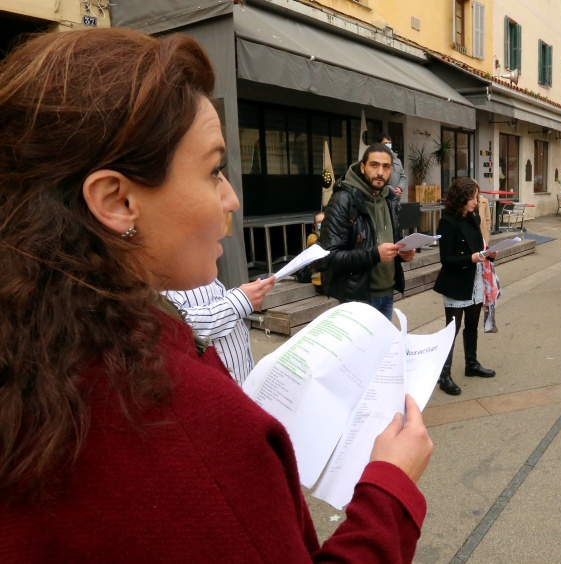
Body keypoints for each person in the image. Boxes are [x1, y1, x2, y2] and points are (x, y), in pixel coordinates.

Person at [0, 28, 431, 561]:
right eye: (212, 170)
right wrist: (389, 488)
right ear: (116, 200)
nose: (230, 198)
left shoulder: (39, 346)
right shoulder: (185, 425)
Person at [320, 144, 415, 320]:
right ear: (363, 167)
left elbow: (390, 242)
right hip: (358, 299)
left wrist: (403, 253)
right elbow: (328, 257)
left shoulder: (390, 199)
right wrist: (374, 255)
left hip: (387, 294)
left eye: (386, 167)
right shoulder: (343, 199)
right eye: (374, 165)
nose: (380, 171)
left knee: (382, 348)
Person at [433, 177, 499, 395]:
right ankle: (444, 375)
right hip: (456, 282)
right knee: (452, 329)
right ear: (461, 197)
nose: (476, 201)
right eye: (472, 197)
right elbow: (446, 259)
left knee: (472, 324)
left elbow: (477, 245)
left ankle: (471, 364)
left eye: (477, 196)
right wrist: (472, 258)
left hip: (475, 279)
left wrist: (488, 253)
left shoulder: (472, 217)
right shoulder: (448, 221)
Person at [163, 276, 275, 385]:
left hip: (237, 380)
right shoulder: (161, 278)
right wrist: (236, 303)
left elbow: (211, 302)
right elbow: (172, 323)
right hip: (215, 387)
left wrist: (242, 296)